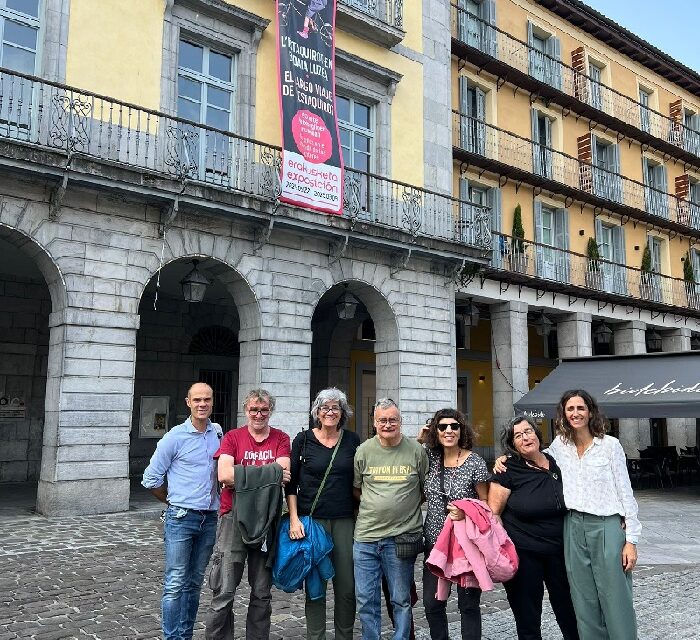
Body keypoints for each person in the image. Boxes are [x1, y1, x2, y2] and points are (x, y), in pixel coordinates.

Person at [494, 390, 640, 640]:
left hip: (606, 526)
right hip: (571, 528)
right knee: (583, 602)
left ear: (590, 411)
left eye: (580, 408)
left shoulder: (610, 445)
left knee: (616, 596)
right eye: (570, 409)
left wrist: (631, 541)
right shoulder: (559, 447)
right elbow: (530, 453)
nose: (575, 413)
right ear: (563, 414)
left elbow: (626, 493)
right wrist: (505, 457)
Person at [204, 389, 291, 640]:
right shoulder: (232, 437)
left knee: (262, 592)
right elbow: (224, 475)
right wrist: (269, 473)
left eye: (264, 410)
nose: (259, 414)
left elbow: (284, 475)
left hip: (267, 519)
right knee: (224, 590)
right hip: (232, 517)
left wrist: (242, 475)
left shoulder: (281, 438)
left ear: (270, 411)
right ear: (246, 411)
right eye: (254, 409)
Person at [141, 382, 221, 640]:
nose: (202, 404)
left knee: (195, 583)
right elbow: (151, 479)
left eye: (206, 400)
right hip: (181, 518)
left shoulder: (217, 433)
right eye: (197, 400)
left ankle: (185, 635)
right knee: (175, 583)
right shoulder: (174, 437)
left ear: (212, 402)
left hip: (209, 518)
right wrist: (174, 502)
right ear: (188, 402)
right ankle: (172, 637)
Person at [488, 416, 579, 640]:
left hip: (560, 551)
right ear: (512, 444)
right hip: (524, 554)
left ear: (537, 435)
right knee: (528, 618)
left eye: (528, 431)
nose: (525, 437)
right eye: (518, 436)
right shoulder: (507, 469)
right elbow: (494, 514)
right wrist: (503, 550)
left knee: (570, 612)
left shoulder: (556, 461)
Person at [286, 387, 360, 640]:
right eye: (325, 407)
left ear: (342, 413)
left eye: (335, 408)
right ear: (317, 412)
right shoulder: (303, 440)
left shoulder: (352, 440)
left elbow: (361, 480)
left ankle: (344, 636)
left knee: (347, 587)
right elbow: (291, 483)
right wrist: (294, 519)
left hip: (344, 520)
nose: (330, 412)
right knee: (316, 587)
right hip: (312, 522)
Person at [353, 398, 428, 640]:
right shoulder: (363, 451)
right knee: (366, 600)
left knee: (401, 599)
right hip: (366, 538)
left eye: (392, 420)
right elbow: (357, 489)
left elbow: (425, 489)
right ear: (374, 423)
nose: (388, 424)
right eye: (382, 420)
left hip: (401, 538)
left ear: (400, 421)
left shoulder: (416, 450)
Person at [419, 409, 489, 640]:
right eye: (442, 427)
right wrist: (420, 439)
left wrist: (466, 511)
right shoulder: (429, 458)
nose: (448, 430)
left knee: (468, 605)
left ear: (461, 430)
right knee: (432, 603)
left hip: (466, 546)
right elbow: (406, 451)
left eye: (454, 426)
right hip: (435, 543)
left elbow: (485, 504)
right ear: (435, 432)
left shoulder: (474, 462)